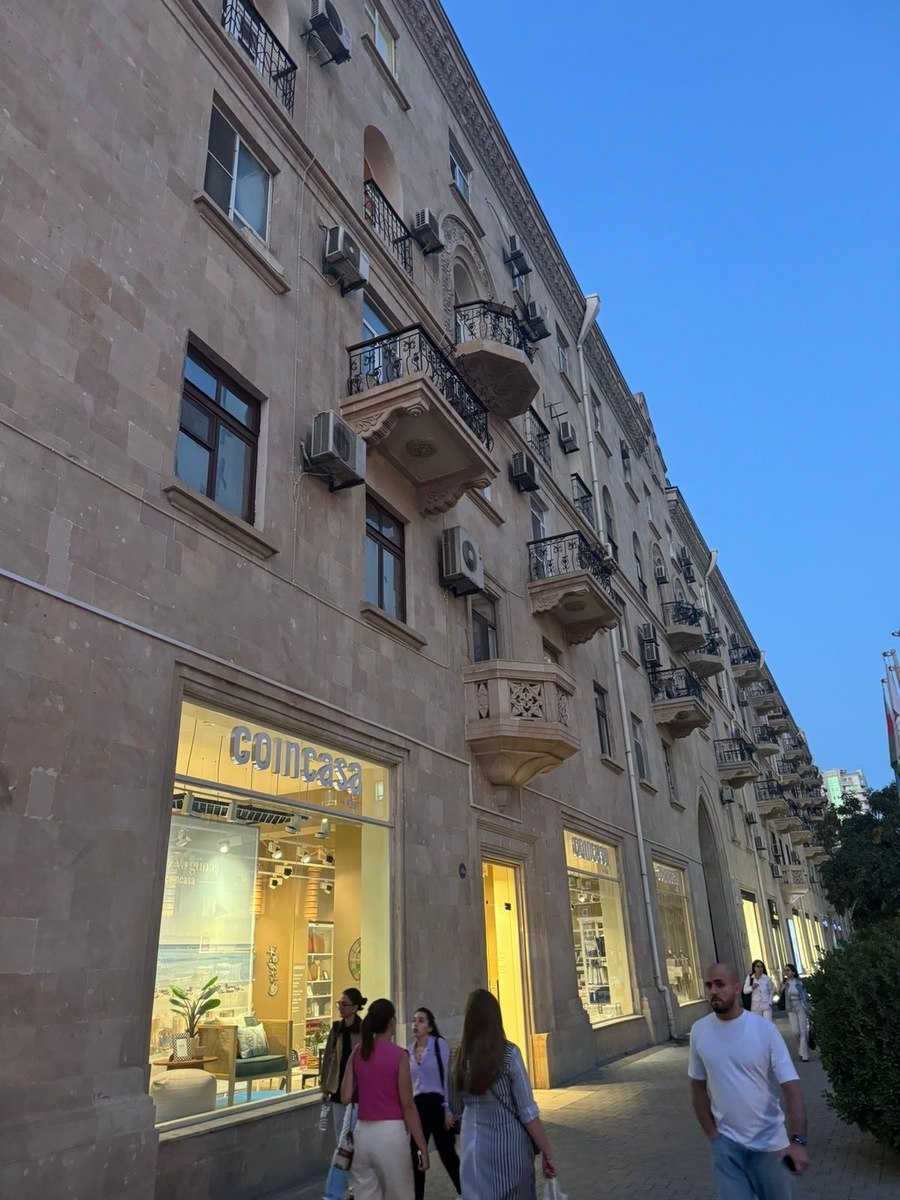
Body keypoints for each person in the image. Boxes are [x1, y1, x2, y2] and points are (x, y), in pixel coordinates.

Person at [689, 963, 810, 1200]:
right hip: (727, 1148)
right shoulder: (699, 1031)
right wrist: (713, 1134)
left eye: (720, 984)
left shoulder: (764, 1030)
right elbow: (697, 1086)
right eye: (709, 985)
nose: (713, 991)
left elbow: (791, 1088)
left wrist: (797, 1140)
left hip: (770, 1146)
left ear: (736, 989)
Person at [450, 988, 555, 1200]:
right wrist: (547, 1151)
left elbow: (456, 1108)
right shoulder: (509, 1054)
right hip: (509, 1147)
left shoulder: (457, 1057)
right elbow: (528, 1112)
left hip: (473, 1148)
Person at [341, 998, 430, 1200]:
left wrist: (352, 1060)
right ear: (392, 1022)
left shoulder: (358, 1052)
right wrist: (422, 1147)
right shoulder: (399, 1055)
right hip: (391, 1134)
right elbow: (408, 1106)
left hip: (363, 1134)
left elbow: (345, 1097)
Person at [408, 1007, 461, 1200]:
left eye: (421, 1020)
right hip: (418, 1107)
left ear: (430, 1027)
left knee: (447, 1153)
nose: (416, 1024)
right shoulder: (408, 1051)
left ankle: (465, 1191)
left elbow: (448, 1079)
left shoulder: (439, 1045)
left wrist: (448, 1110)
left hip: (438, 1105)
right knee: (416, 1153)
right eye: (414, 1020)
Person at [321, 987, 367, 1193]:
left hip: (357, 1091)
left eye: (344, 1004)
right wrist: (324, 1088)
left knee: (355, 1137)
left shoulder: (363, 1029)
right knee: (341, 1138)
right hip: (337, 1088)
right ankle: (346, 1183)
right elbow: (328, 1058)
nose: (340, 1007)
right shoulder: (336, 1028)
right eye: (339, 1003)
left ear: (355, 1007)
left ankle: (357, 1180)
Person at [778, 964, 812, 1062]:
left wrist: (808, 1007)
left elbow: (805, 995)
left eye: (788, 970)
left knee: (803, 1031)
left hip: (800, 1007)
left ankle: (805, 1054)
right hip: (791, 1008)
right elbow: (781, 995)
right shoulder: (785, 984)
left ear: (793, 972)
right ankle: (801, 1049)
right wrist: (782, 989)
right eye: (785, 970)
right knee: (796, 1032)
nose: (786, 972)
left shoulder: (799, 982)